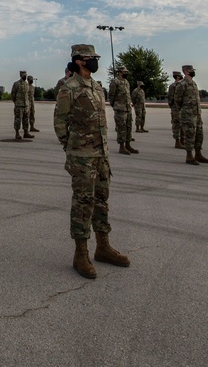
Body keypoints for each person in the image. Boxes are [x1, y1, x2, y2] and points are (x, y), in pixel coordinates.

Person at [54, 44, 130, 279]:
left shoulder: (98, 88)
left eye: (95, 57)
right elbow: (60, 123)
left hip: (101, 156)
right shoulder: (69, 88)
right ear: (79, 61)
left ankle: (103, 247)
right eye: (90, 58)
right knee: (82, 205)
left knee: (101, 201)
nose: (95, 61)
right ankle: (80, 254)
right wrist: (73, 150)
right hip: (82, 158)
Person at [179, 65, 208, 165]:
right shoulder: (182, 84)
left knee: (199, 135)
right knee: (189, 135)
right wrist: (184, 112)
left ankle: (198, 154)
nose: (193, 72)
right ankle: (189, 156)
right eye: (191, 70)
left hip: (197, 113)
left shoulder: (194, 83)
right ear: (186, 71)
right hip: (188, 114)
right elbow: (177, 100)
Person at [108, 66, 136, 154]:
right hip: (120, 108)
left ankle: (128, 144)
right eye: (124, 72)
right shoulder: (115, 82)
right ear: (119, 72)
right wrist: (114, 105)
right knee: (121, 128)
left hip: (128, 108)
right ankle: (121, 146)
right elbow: (111, 95)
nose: (126, 73)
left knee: (128, 127)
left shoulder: (126, 82)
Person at [11, 70, 33, 141]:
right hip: (19, 105)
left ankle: (26, 132)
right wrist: (16, 102)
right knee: (18, 119)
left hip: (26, 105)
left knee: (26, 119)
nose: (25, 76)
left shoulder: (27, 84)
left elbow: (28, 95)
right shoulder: (16, 84)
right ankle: (17, 133)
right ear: (21, 75)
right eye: (24, 75)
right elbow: (13, 95)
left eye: (26, 75)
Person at [167, 71, 184, 149]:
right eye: (180, 76)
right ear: (177, 77)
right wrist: (174, 107)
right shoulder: (173, 86)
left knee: (183, 124)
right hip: (176, 108)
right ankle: (177, 141)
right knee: (176, 124)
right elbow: (170, 98)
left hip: (182, 108)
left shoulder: (182, 85)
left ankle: (182, 140)